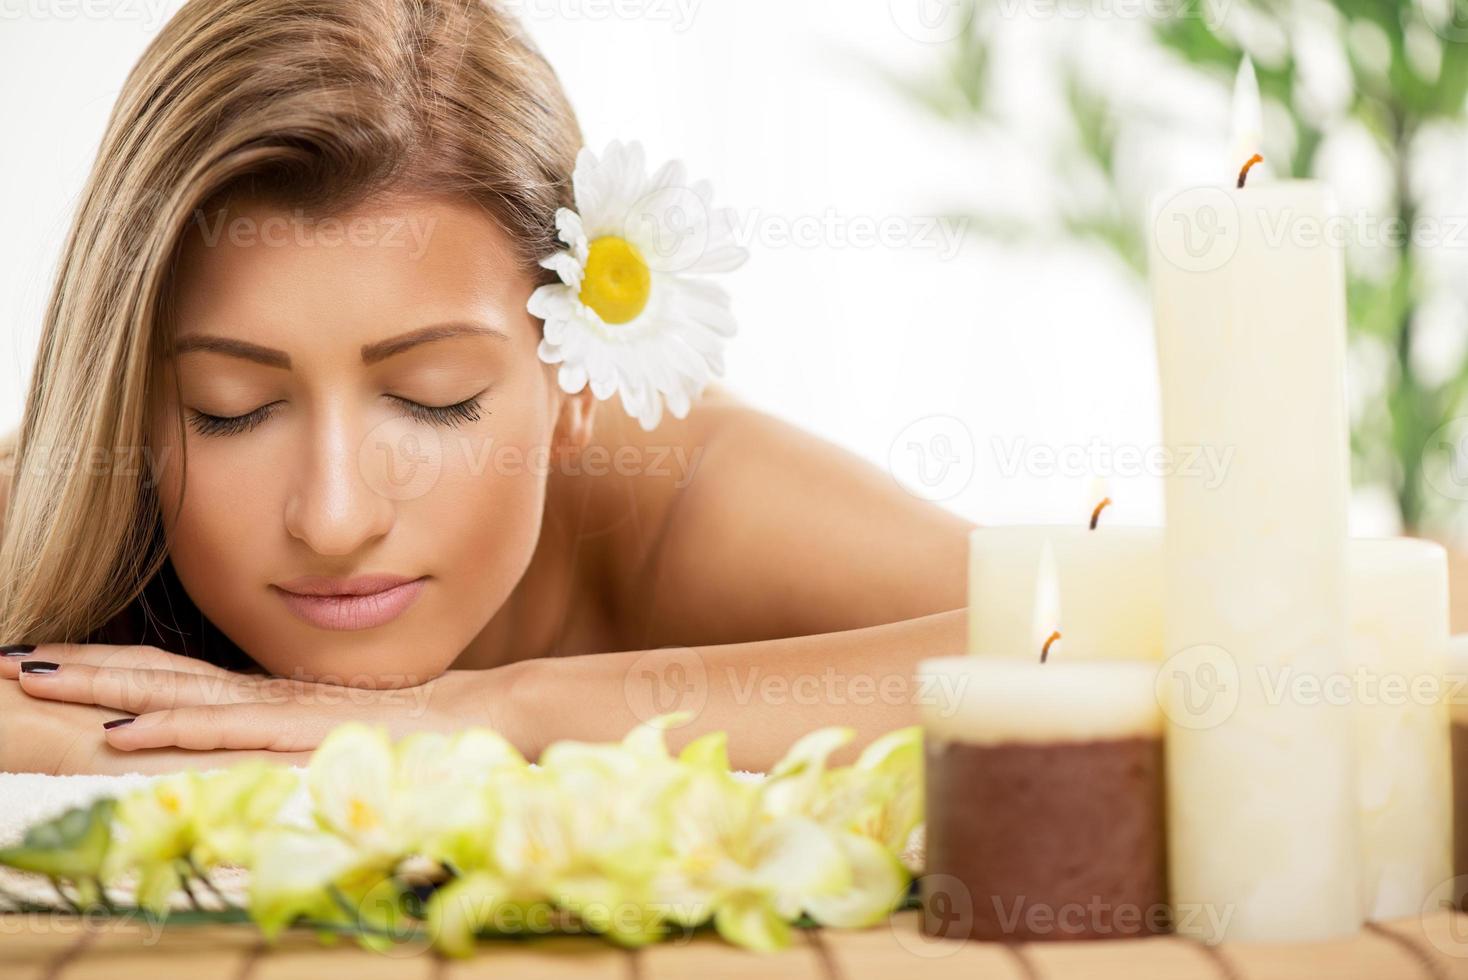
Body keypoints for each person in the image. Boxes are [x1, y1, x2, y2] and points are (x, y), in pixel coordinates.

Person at [0, 0, 972, 775]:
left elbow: (1102, 640)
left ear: (576, 373)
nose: (334, 519)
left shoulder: (685, 496)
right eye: (231, 407)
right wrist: (147, 756)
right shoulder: (73, 504)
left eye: (434, 396)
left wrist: (500, 711)